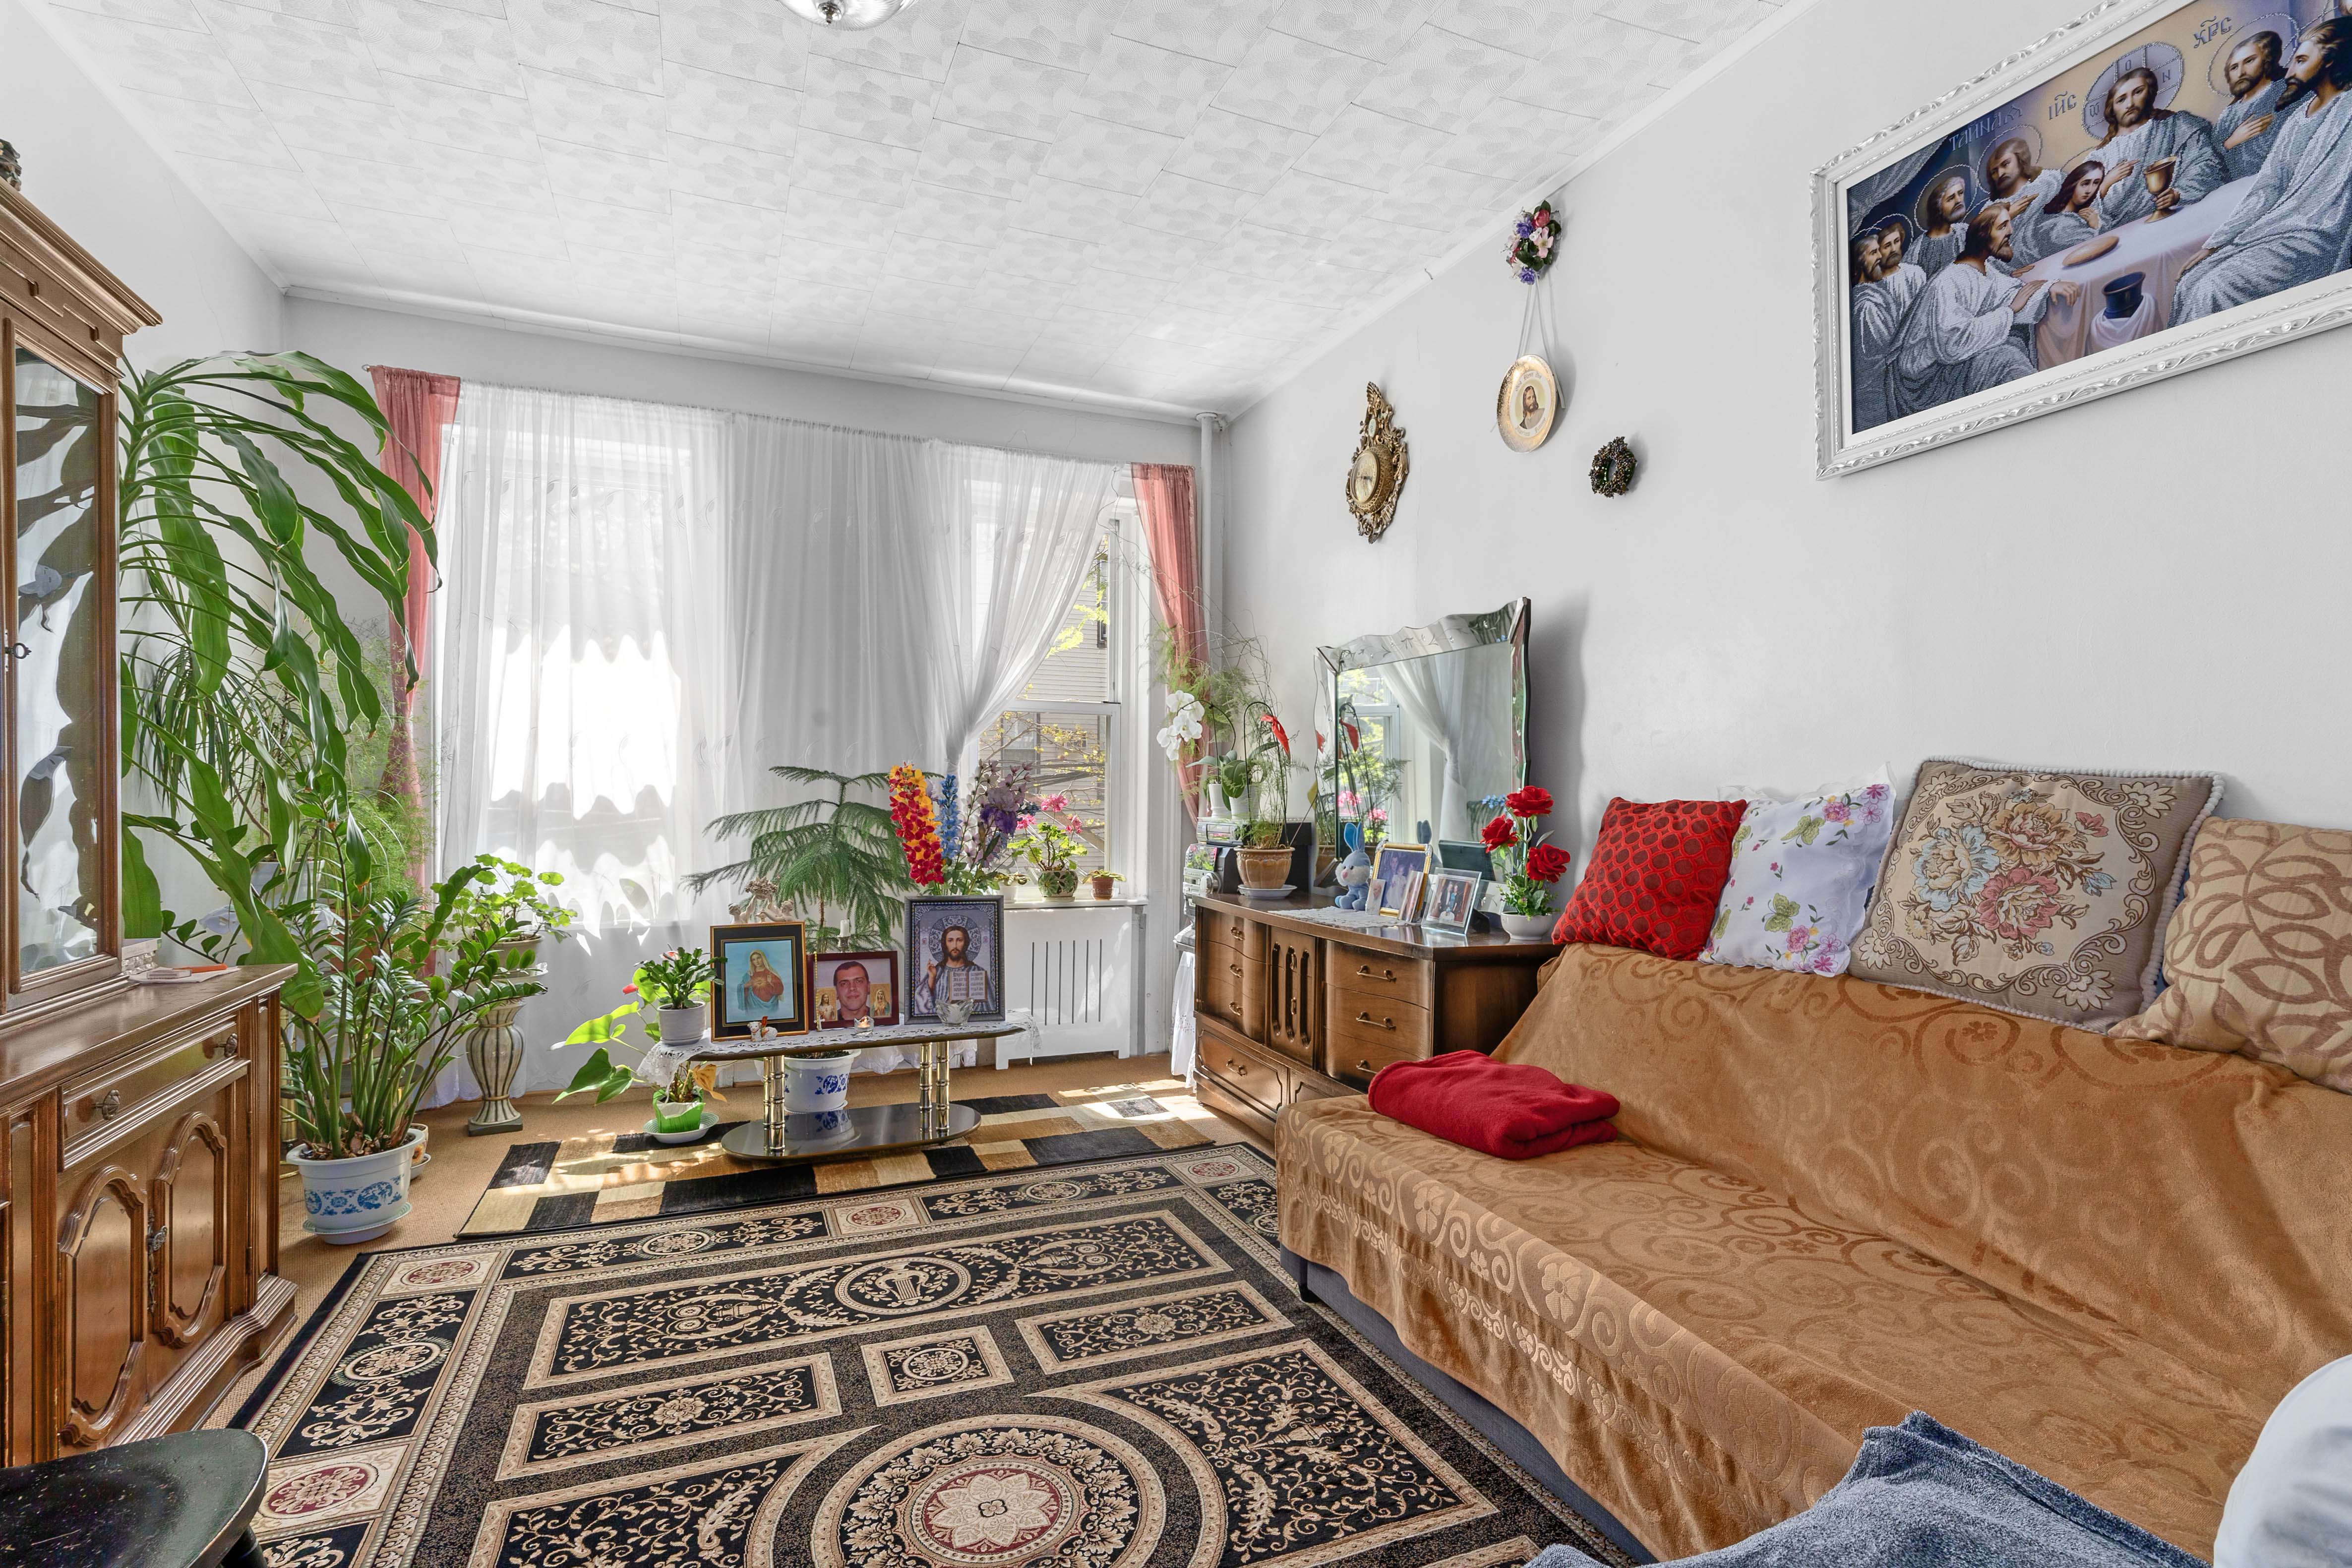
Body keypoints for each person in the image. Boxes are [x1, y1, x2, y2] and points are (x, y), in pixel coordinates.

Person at [2176, 20, 2352, 324]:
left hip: (2319, 234)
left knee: (2213, 288)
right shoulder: (2299, 117)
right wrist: (2215, 244)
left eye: (2301, 61)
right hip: (2278, 228)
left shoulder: (2347, 109)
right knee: (2189, 283)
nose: (2291, 70)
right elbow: (2269, 185)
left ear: (2330, 60)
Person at [1888, 205, 2079, 419]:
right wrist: (2009, 311)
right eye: (2002, 227)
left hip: (1951, 363)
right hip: (1929, 379)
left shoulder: (1984, 270)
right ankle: (2047, 411)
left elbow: (2013, 294)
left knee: (2015, 343)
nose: (2011, 232)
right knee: (2005, 359)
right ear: (1983, 236)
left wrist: (2048, 288)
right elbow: (1953, 343)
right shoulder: (1950, 280)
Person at [2093, 62, 2227, 223]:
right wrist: (2106, 183)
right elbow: (2081, 209)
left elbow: (2207, 162)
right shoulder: (2099, 157)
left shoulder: (2178, 125)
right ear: (2112, 109)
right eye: (2121, 100)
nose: (2130, 104)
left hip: (2182, 217)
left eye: (2138, 92)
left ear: (2150, 93)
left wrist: (2178, 193)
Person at [2218, 30, 2292, 180]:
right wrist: (2231, 142)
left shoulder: (2286, 93)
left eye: (2249, 61)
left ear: (2267, 60)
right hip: (2235, 187)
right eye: (2234, 67)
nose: (2240, 73)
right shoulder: (2228, 114)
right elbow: (2209, 161)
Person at [1984, 136, 2066, 262]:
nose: (2000, 174)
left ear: (2021, 159)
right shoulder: (1989, 210)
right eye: (1994, 172)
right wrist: (2007, 216)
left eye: (2006, 164)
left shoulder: (2051, 182)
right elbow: (1982, 248)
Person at [2035, 159, 2109, 256]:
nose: (2089, 190)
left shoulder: (2087, 213)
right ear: (2073, 183)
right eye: (2086, 183)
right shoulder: (2058, 223)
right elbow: (2089, 249)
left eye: (2096, 183)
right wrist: (2096, 227)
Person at [1912, 172, 1973, 276]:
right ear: (1937, 207)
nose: (1959, 200)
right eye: (1951, 198)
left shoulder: (1965, 231)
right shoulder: (1919, 248)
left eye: (1960, 193)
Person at [923, 924, 991, 1012]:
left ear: (966, 943)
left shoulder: (977, 971)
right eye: (950, 941)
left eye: (960, 940)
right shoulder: (937, 972)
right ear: (945, 944)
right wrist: (932, 978)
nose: (955, 946)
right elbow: (923, 1005)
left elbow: (989, 1005)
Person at [736, 948, 788, 1016]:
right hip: (753, 1004)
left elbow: (780, 990)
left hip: (771, 1004)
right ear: (751, 962)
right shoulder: (749, 974)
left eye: (759, 958)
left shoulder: (771, 973)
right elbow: (740, 987)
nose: (757, 961)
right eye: (754, 960)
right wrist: (746, 985)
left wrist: (771, 982)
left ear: (763, 958)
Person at [825, 959, 875, 1027]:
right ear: (836, 991)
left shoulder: (883, 1020)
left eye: (859, 981)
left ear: (868, 987)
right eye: (844, 984)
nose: (852, 988)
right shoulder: (826, 1024)